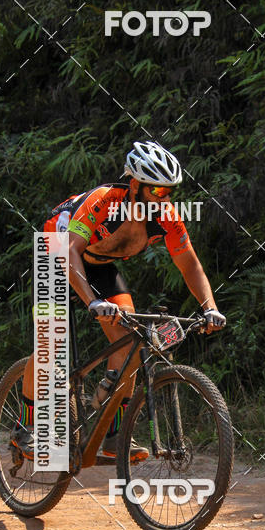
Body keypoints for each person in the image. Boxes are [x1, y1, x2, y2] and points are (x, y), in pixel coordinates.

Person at [11, 140, 226, 461]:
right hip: (56, 251)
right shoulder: (104, 201)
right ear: (136, 184)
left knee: (130, 344)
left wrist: (209, 307)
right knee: (51, 342)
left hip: (97, 265)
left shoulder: (166, 216)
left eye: (169, 192)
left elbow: (190, 265)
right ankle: (25, 427)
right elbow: (68, 251)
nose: (164, 199)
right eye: (157, 191)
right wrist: (91, 302)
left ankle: (113, 435)